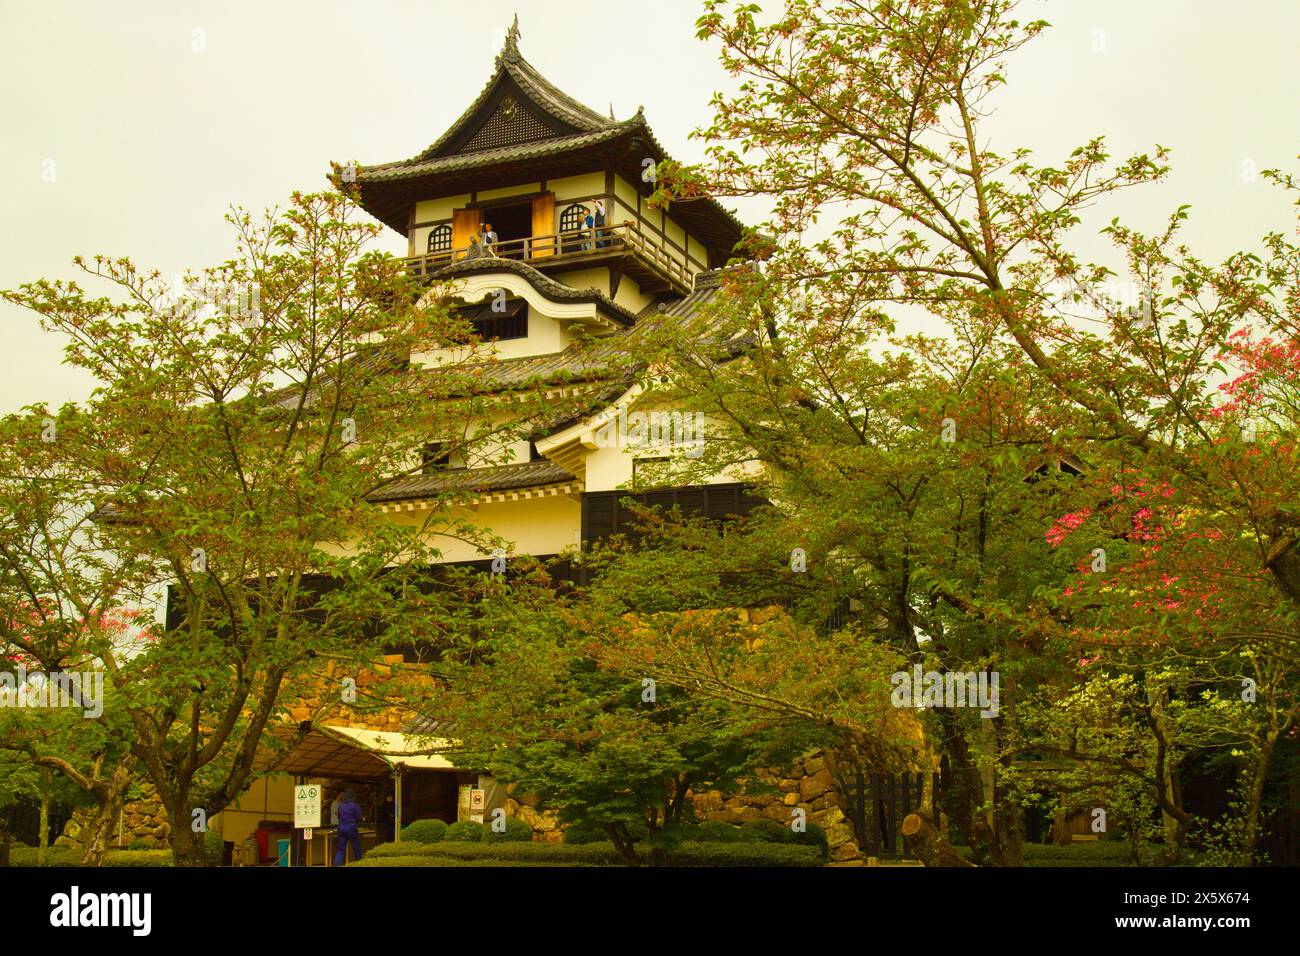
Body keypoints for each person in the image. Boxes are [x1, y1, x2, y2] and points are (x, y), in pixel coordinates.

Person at [333, 788, 364, 866]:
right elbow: (359, 817)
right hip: (351, 827)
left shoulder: (341, 805)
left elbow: (339, 816)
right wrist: (361, 819)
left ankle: (337, 865)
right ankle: (359, 864)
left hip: (341, 827)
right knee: (356, 847)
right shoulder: (355, 805)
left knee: (341, 849)